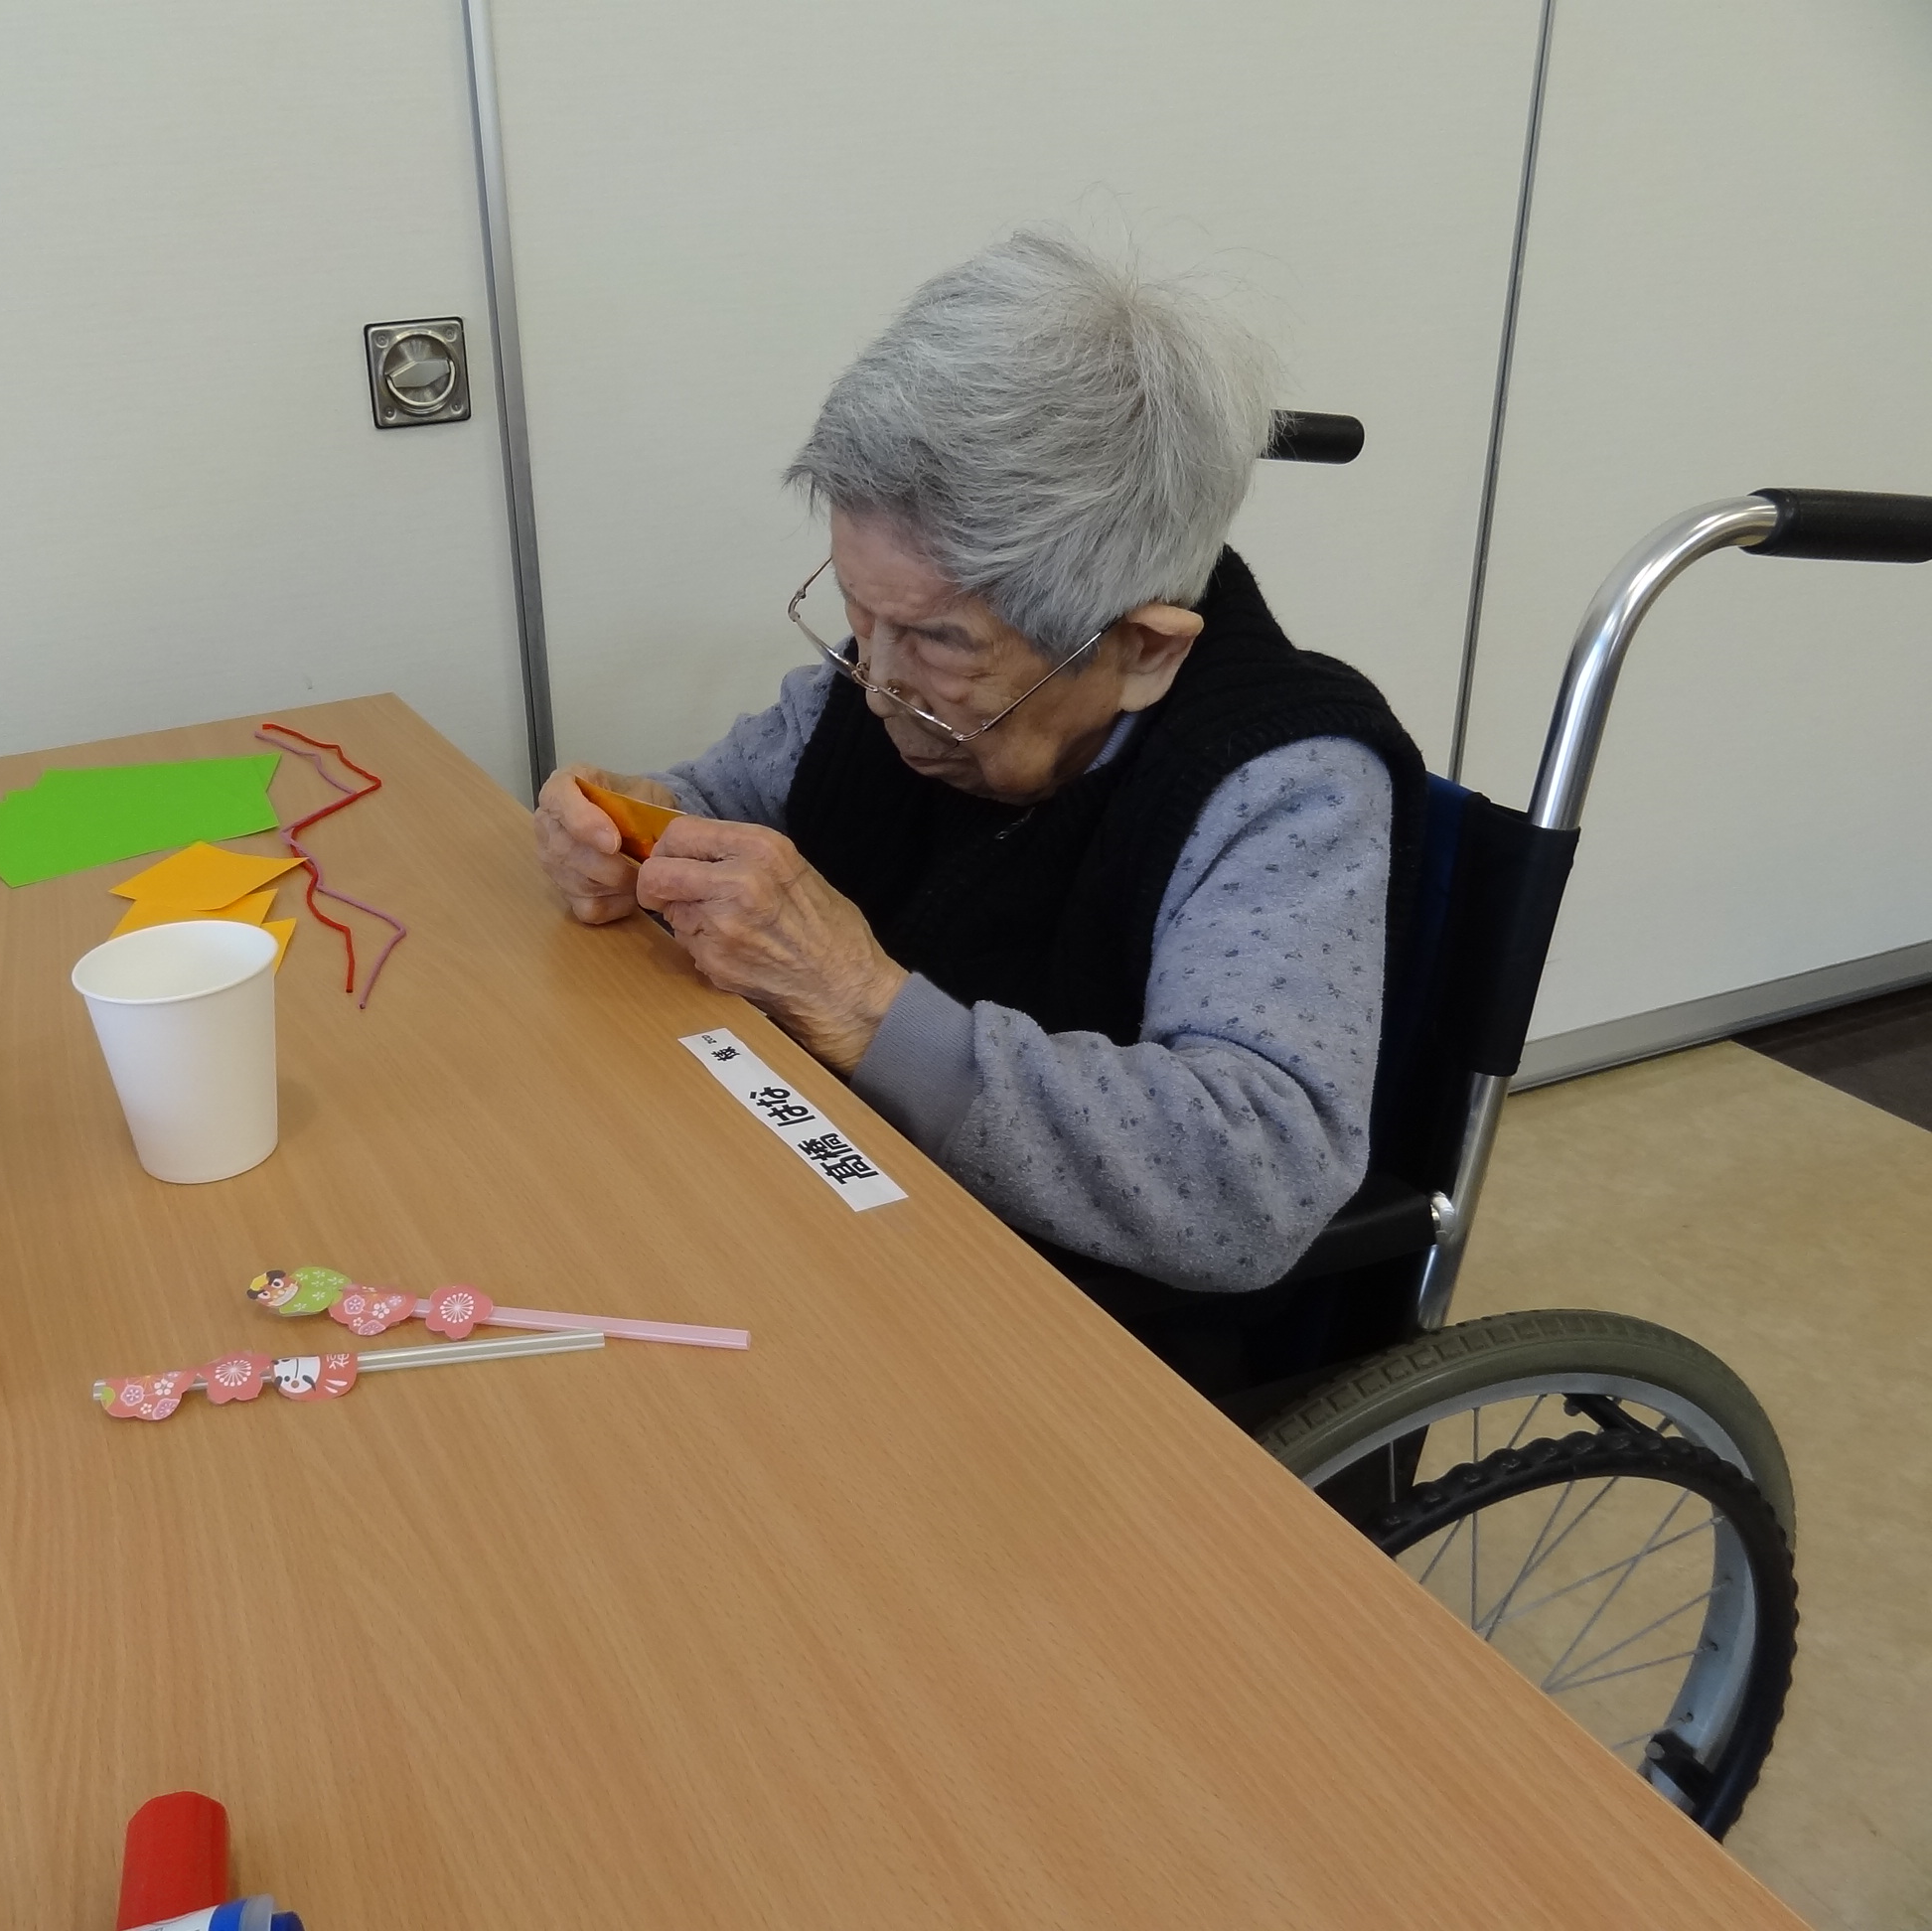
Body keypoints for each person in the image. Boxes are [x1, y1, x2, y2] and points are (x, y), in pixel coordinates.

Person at [532, 229, 1425, 1396]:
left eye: (939, 641)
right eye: (859, 613)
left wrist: (863, 1001)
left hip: (1076, 1345)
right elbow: (723, 803)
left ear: (1144, 649)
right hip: (834, 1234)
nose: (875, 684)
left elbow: (1251, 1183)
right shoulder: (890, 676)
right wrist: (630, 828)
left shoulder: (1288, 786)